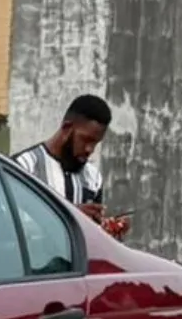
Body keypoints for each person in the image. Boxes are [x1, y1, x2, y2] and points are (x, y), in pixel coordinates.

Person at [11, 94, 130, 239]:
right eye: (86, 140)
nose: (90, 149)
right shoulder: (24, 166)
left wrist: (106, 233)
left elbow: (90, 240)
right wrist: (69, 217)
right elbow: (12, 227)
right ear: (67, 128)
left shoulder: (93, 178)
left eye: (95, 143)